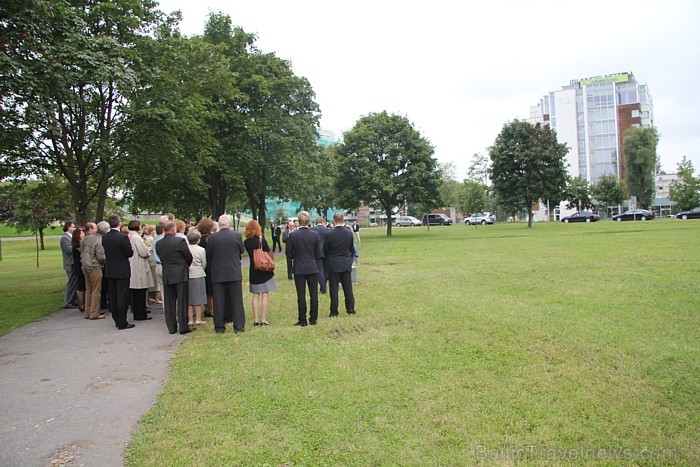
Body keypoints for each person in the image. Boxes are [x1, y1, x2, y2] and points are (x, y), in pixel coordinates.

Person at [206, 214, 245, 334]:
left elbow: (209, 255)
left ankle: (219, 326)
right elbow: (241, 251)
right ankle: (238, 326)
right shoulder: (237, 236)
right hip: (233, 271)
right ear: (229, 224)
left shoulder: (212, 238)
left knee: (218, 301)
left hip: (218, 272)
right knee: (236, 300)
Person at [155, 221, 193, 335]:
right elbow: (188, 257)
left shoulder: (159, 243)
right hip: (180, 274)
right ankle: (183, 326)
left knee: (169, 302)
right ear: (173, 230)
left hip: (167, 273)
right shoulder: (179, 241)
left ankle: (171, 327)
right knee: (182, 301)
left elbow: (161, 257)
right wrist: (184, 266)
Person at [286, 211, 321, 326]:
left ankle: (302, 319)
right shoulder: (315, 234)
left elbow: (288, 253)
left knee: (301, 295)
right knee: (314, 294)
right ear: (308, 221)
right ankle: (313, 318)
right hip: (312, 266)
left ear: (298, 222)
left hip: (299, 267)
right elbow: (318, 252)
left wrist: (296, 257)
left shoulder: (293, 235)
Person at [102, 214, 135, 330]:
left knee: (113, 296)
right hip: (121, 269)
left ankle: (116, 318)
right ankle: (122, 320)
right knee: (122, 296)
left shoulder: (105, 237)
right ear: (119, 223)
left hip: (110, 269)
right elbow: (129, 253)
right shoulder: (122, 237)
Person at [243, 220, 277, 326]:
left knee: (255, 295)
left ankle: (256, 319)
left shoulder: (246, 242)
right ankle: (263, 319)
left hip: (253, 269)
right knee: (265, 294)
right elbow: (267, 251)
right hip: (264, 268)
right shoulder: (261, 240)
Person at [325, 212, 356, 316]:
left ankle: (334, 311)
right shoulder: (348, 233)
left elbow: (325, 250)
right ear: (343, 220)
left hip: (333, 263)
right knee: (348, 288)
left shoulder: (329, 234)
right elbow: (351, 248)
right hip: (345, 262)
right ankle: (350, 309)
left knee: (333, 289)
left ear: (334, 220)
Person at [127, 220, 154, 321]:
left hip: (132, 265)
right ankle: (140, 313)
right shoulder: (136, 238)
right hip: (138, 266)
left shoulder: (129, 236)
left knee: (135, 291)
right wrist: (148, 250)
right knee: (140, 291)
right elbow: (143, 252)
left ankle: (137, 310)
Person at [81, 221, 107, 320]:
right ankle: (94, 312)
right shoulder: (98, 240)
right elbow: (100, 257)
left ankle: (88, 311)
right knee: (96, 290)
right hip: (94, 266)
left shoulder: (84, 239)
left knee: (88, 290)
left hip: (85, 266)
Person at [187, 229, 207, 326]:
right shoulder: (201, 250)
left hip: (188, 274)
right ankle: (198, 318)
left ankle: (190, 319)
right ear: (198, 240)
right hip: (198, 273)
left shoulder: (186, 248)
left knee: (189, 298)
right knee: (198, 297)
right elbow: (204, 263)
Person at [196, 218, 216, 318]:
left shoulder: (199, 239)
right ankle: (212, 309)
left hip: (202, 265)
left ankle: (207, 308)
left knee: (206, 288)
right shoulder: (212, 238)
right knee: (212, 288)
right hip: (212, 264)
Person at [60, 221, 78, 309]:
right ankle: (67, 302)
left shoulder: (70, 237)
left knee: (75, 282)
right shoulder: (64, 238)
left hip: (73, 263)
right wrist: (77, 245)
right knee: (71, 282)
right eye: (73, 227)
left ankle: (73, 300)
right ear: (68, 227)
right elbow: (69, 250)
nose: (74, 229)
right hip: (69, 264)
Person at [311, 216, 330, 294]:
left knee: (320, 270)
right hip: (326, 252)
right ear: (322, 222)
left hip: (317, 252)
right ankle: (324, 284)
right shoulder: (327, 230)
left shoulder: (312, 230)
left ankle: (323, 287)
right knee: (325, 270)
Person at [143, 224, 160, 305]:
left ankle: (153, 296)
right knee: (154, 279)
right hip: (152, 260)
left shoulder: (148, 238)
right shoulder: (150, 239)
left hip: (151, 259)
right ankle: (153, 296)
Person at [71, 227, 86, 312]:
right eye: (82, 233)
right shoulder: (77, 245)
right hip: (79, 266)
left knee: (82, 285)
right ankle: (81, 304)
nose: (83, 234)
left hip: (79, 265)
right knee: (80, 286)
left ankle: (82, 304)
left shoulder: (77, 244)